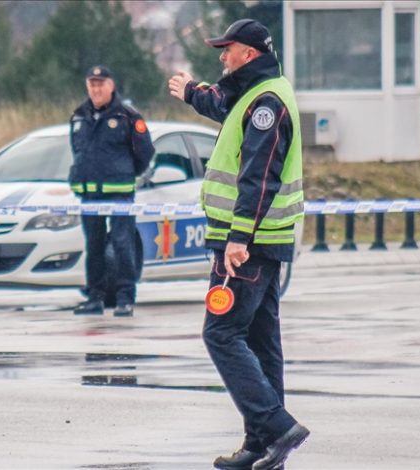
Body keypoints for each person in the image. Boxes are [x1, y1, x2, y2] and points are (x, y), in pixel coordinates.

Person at [168, 19, 309, 470]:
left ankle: (275, 425)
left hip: (249, 243)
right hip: (264, 242)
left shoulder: (267, 102)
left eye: (226, 49)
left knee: (221, 333)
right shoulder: (258, 88)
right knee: (262, 342)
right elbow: (223, 101)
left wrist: (237, 239)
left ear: (248, 52)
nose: (221, 56)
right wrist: (192, 92)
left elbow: (258, 178)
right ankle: (263, 447)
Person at [69, 66, 155, 317]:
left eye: (101, 83)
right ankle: (94, 297)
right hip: (89, 194)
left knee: (122, 245)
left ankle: (125, 298)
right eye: (92, 83)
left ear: (111, 85)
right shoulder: (78, 115)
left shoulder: (128, 116)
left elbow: (145, 152)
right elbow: (78, 151)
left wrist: (127, 173)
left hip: (119, 193)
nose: (96, 88)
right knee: (93, 246)